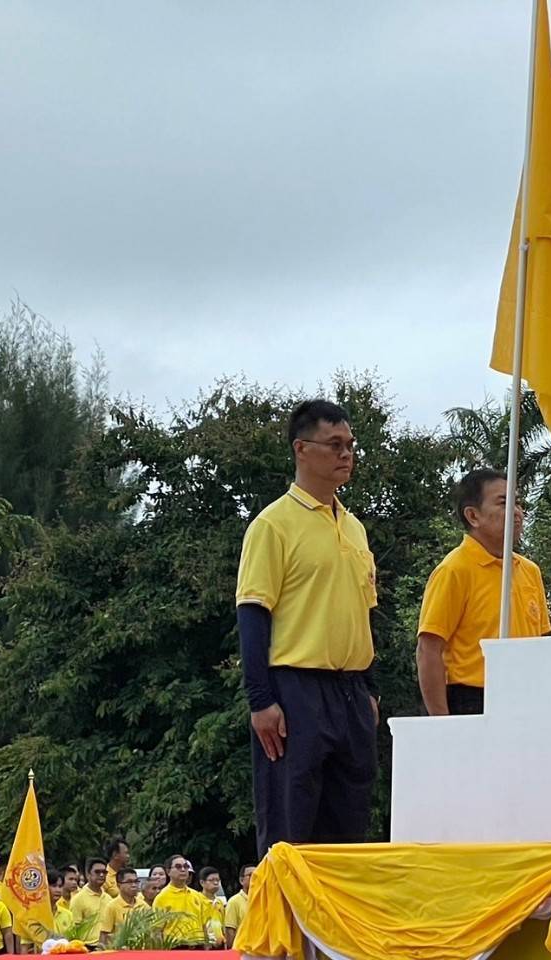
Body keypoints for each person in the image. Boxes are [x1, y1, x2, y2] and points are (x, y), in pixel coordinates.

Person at [236, 399, 380, 857]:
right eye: (334, 444)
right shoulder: (273, 525)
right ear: (301, 449)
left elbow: (364, 613)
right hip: (296, 688)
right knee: (290, 825)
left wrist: (370, 692)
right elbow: (253, 613)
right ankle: (285, 929)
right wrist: (261, 700)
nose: (346, 454)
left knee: (348, 830)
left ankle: (333, 930)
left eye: (351, 445)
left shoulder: (355, 527)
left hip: (351, 691)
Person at [417, 468, 551, 715]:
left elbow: (542, 644)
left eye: (518, 502)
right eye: (504, 502)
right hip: (472, 699)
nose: (517, 512)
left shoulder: (529, 571)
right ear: (473, 516)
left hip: (526, 699)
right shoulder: (454, 570)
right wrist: (441, 723)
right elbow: (429, 649)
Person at [153, 854, 210, 945]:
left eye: (185, 866)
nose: (183, 870)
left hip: (198, 948)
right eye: (178, 867)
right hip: (175, 949)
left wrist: (206, 948)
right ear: (168, 871)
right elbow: (156, 931)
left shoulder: (196, 896)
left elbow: (204, 926)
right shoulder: (161, 898)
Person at [99, 869, 142, 945]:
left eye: (136, 881)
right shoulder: (112, 906)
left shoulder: (143, 906)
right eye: (129, 882)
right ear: (119, 885)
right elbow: (104, 935)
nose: (134, 885)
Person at [68, 857, 112, 927]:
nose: (101, 875)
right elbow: (75, 929)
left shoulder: (108, 899)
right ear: (88, 875)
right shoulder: (78, 899)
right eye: (97, 872)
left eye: (104, 872)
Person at [223, 864, 255, 949]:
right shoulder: (234, 901)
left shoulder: (263, 900)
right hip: (242, 952)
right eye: (250, 875)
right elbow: (230, 931)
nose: (255, 877)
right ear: (241, 880)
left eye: (258, 874)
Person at [198, 867, 226, 945]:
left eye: (218, 880)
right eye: (211, 880)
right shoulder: (197, 900)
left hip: (220, 944)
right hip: (204, 945)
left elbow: (223, 925)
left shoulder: (219, 902)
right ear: (202, 882)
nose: (216, 883)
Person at [48, 870, 74, 935]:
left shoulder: (68, 915)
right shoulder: (36, 916)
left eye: (60, 886)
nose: (58, 890)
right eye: (54, 886)